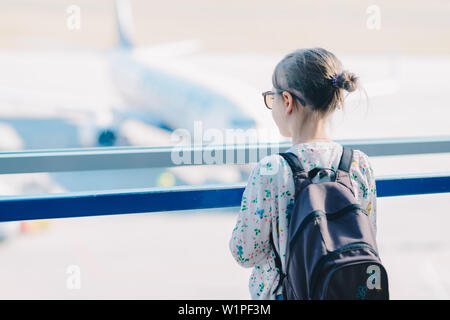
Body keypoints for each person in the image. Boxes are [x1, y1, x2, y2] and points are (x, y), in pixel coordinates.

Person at [228, 47, 377, 300]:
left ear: (287, 101)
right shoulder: (359, 164)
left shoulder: (271, 170)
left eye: (271, 97)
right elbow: (367, 233)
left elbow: (245, 252)